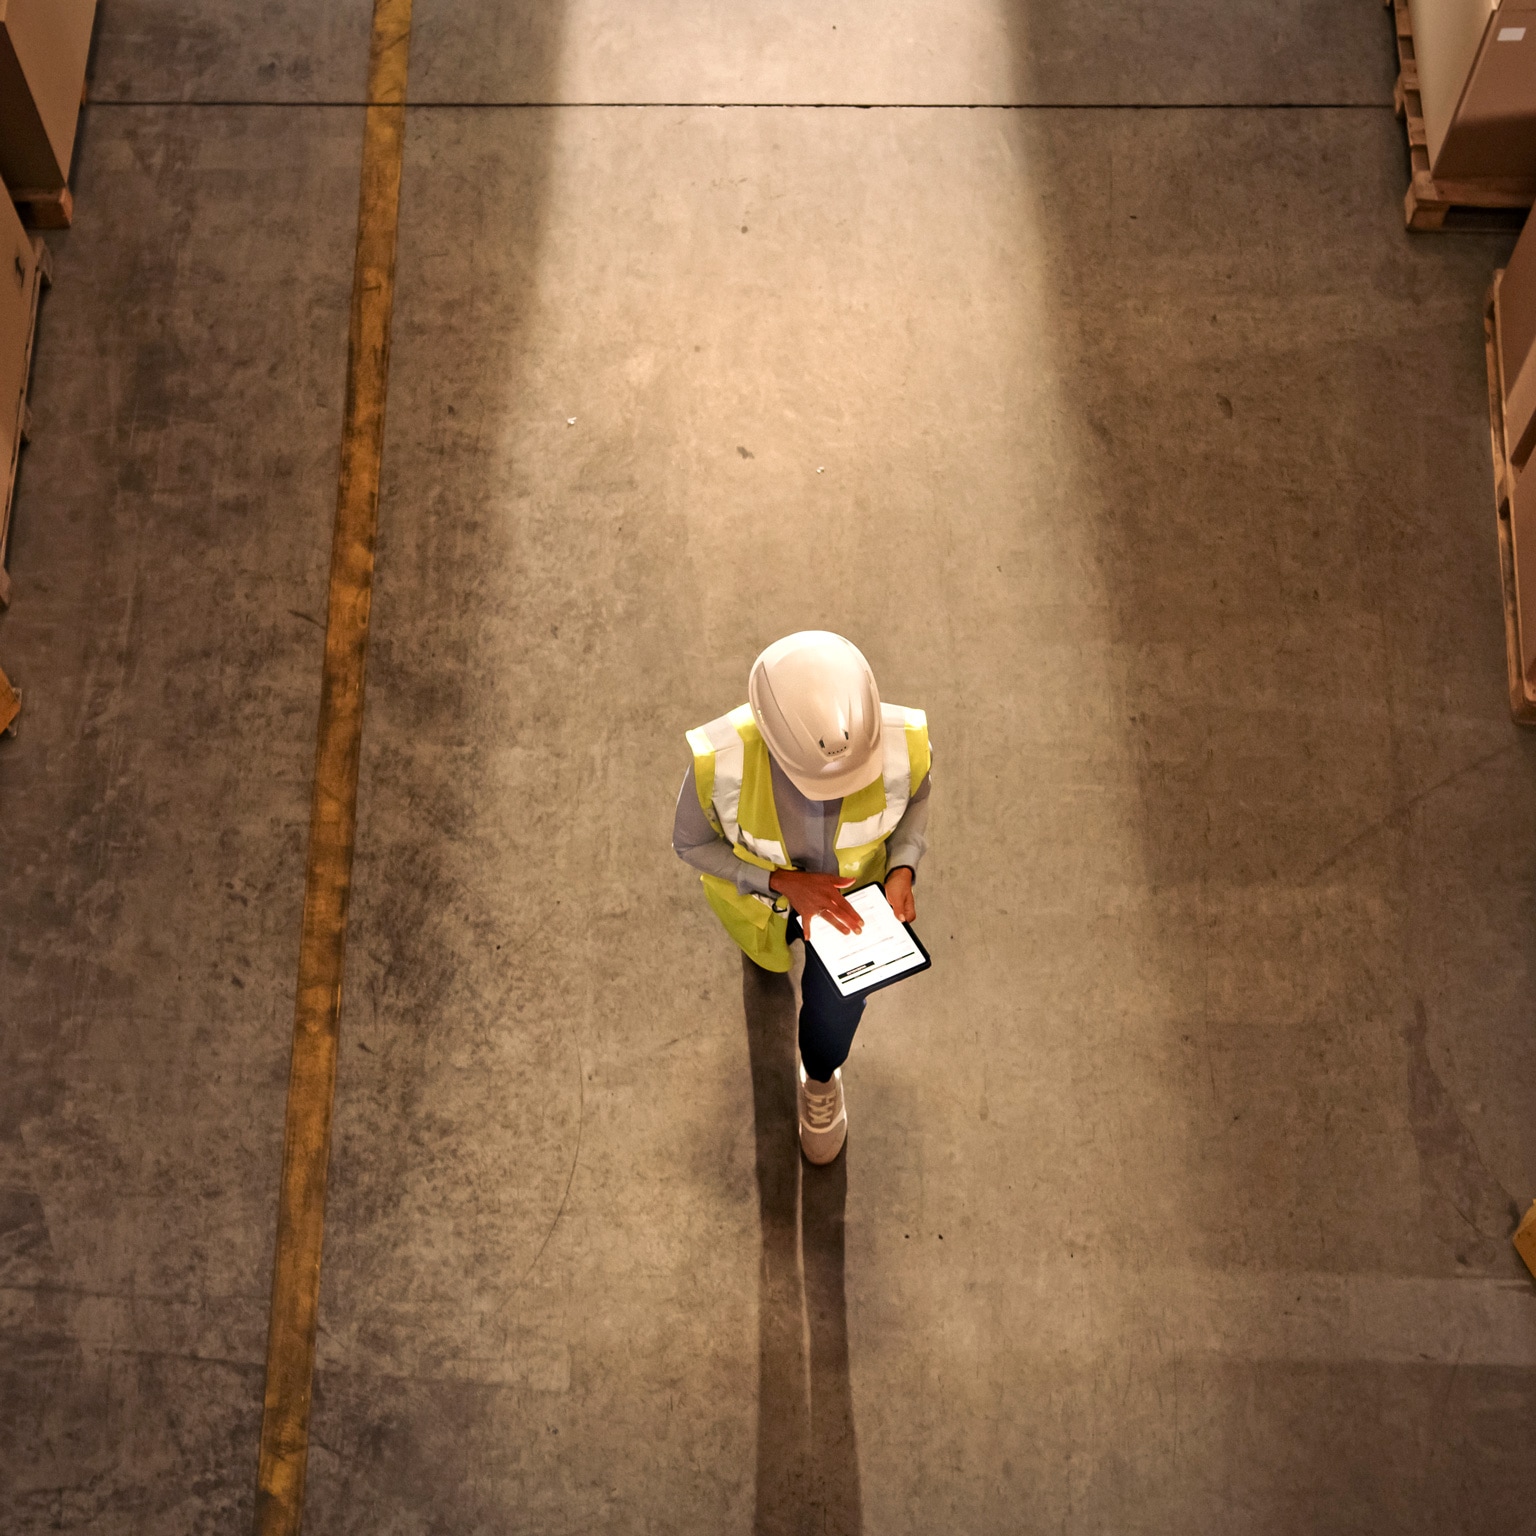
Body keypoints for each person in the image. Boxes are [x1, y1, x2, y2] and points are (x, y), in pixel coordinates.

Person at [673, 631, 932, 1164]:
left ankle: (820, 1077)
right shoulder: (722, 761)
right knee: (765, 960)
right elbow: (691, 843)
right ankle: (770, 950)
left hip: (850, 909)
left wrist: (903, 867)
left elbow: (915, 799)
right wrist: (778, 881)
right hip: (762, 906)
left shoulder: (902, 742)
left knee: (838, 1005)